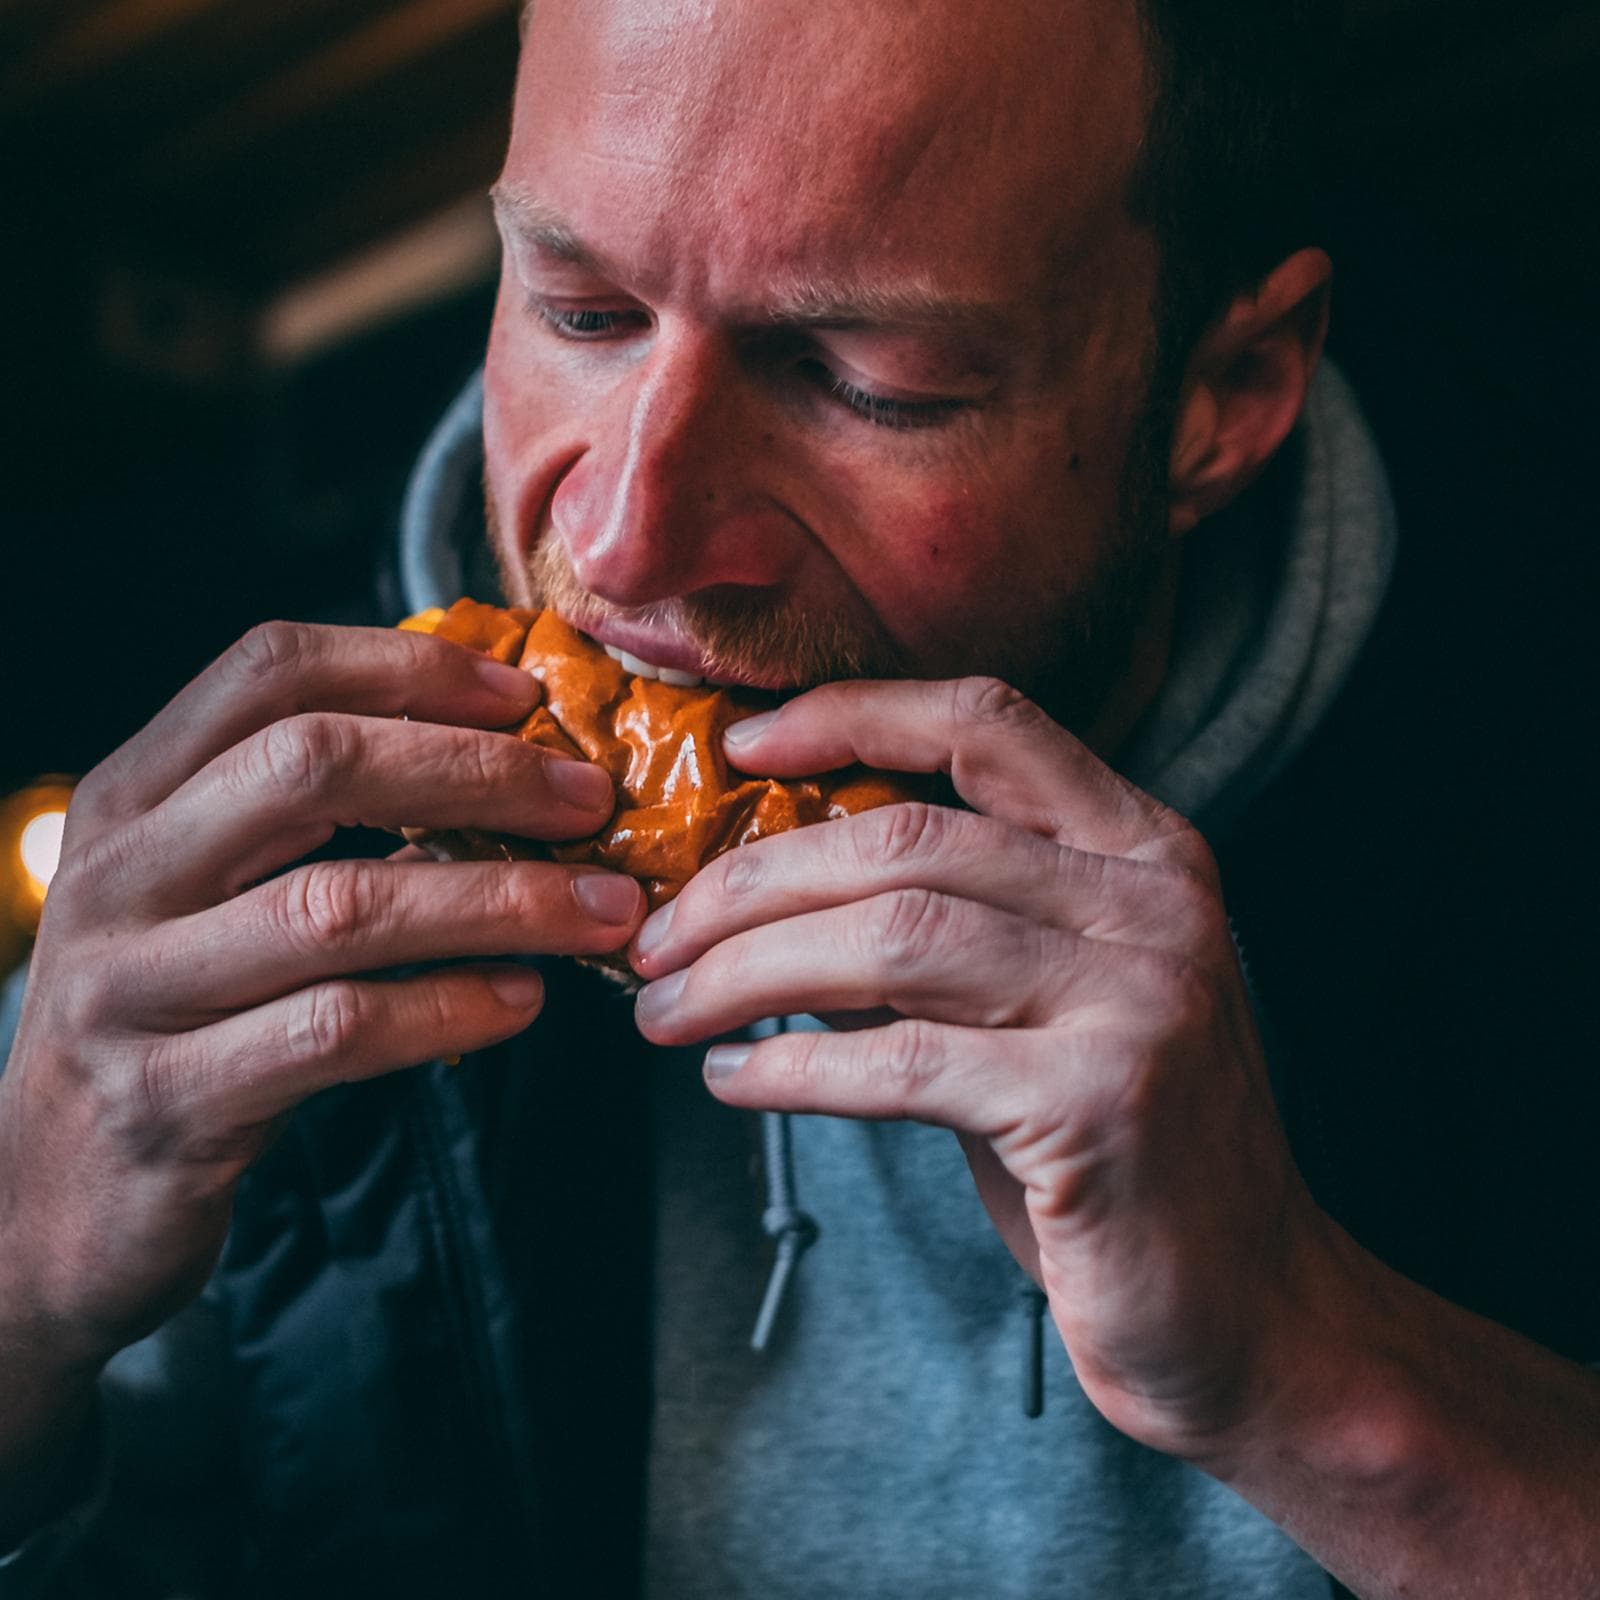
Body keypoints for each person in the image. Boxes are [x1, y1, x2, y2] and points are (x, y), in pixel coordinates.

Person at [1, 0, 1596, 1595]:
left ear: (1222, 397)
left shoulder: (1537, 821)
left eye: (868, 380)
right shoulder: (227, 900)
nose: (625, 545)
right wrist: (22, 1280)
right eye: (581, 307)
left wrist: (1324, 1378)